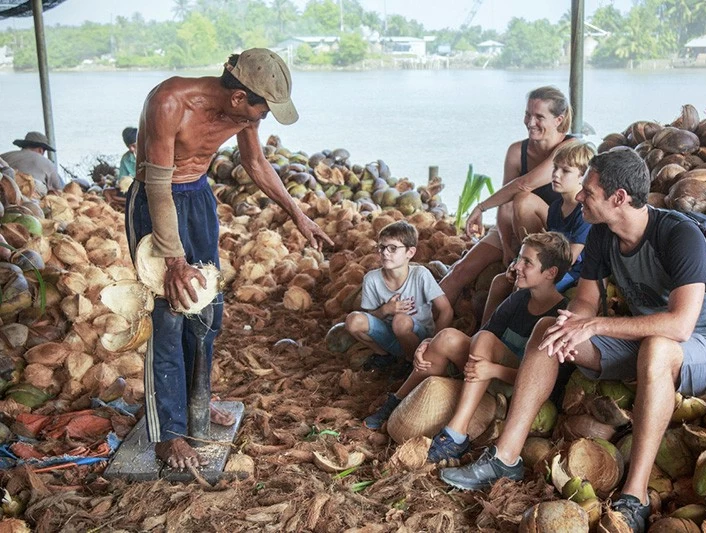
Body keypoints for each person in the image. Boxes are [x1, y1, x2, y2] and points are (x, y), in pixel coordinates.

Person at [439, 147, 706, 533]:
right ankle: (506, 456)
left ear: (618, 199)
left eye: (589, 190)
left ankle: (635, 496)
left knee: (657, 349)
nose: (579, 195)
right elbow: (585, 301)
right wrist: (574, 325)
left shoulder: (679, 235)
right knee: (548, 328)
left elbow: (681, 326)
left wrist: (596, 326)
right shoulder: (602, 234)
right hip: (650, 333)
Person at [125, 48, 333, 471]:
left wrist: (299, 214)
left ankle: (197, 399)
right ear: (239, 97)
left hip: (199, 198)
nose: (263, 119)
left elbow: (255, 163)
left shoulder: (244, 114)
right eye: (261, 110)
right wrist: (174, 258)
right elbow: (160, 188)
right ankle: (168, 434)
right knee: (168, 314)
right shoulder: (169, 102)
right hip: (156, 202)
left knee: (206, 311)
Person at [364, 233, 571, 459]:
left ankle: (456, 435)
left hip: (515, 389)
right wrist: (431, 342)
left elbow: (546, 383)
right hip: (483, 372)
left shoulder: (559, 315)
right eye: (519, 258)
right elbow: (481, 337)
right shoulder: (519, 298)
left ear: (551, 273)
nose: (516, 266)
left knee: (485, 339)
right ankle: (397, 400)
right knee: (447, 337)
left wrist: (494, 370)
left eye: (527, 262)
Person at [438, 87, 575, 305]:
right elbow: (506, 202)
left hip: (554, 232)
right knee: (459, 270)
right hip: (516, 224)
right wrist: (505, 240)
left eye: (539, 117)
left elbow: (523, 185)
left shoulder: (570, 147)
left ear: (558, 119)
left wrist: (481, 207)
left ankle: (528, 263)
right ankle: (424, 331)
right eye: (528, 115)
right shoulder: (516, 151)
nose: (531, 122)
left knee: (523, 198)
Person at [480, 141, 594, 323]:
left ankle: (511, 336)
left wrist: (530, 271)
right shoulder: (556, 207)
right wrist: (520, 263)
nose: (555, 174)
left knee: (523, 289)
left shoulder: (583, 213)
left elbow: (568, 260)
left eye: (565, 171)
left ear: (583, 177)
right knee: (499, 282)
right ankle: (485, 331)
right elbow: (549, 247)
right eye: (555, 168)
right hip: (553, 267)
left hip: (572, 273)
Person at [346, 221, 453, 377]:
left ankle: (411, 361)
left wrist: (432, 343)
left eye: (393, 248)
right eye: (381, 247)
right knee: (353, 320)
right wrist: (385, 310)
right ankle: (384, 355)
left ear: (410, 252)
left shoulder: (420, 275)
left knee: (400, 321)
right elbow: (370, 317)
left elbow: (446, 310)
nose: (385, 253)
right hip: (390, 336)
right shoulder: (371, 279)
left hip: (419, 339)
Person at [1, 131, 65, 196]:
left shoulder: (4, 156)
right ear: (41, 150)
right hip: (33, 192)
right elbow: (59, 189)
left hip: (4, 189)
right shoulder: (47, 163)